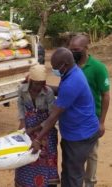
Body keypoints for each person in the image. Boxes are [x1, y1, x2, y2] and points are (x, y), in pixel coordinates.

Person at [30, 47, 100, 187]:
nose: (54, 70)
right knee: (67, 169)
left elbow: (53, 117)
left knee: (74, 174)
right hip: (74, 132)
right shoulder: (71, 73)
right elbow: (61, 91)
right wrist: (43, 86)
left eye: (56, 67)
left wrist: (38, 138)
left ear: (65, 65)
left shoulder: (72, 82)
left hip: (80, 136)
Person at [68, 35, 110, 187]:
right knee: (73, 154)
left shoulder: (98, 68)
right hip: (73, 120)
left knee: (91, 153)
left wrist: (102, 122)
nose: (73, 52)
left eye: (76, 50)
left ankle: (90, 183)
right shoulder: (69, 66)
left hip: (92, 119)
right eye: (71, 50)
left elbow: (105, 95)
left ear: (86, 48)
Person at [15, 64, 59, 187]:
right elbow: (20, 105)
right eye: (36, 84)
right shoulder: (22, 89)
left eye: (42, 83)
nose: (39, 87)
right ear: (31, 81)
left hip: (45, 130)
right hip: (27, 128)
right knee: (25, 158)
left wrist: (34, 129)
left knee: (45, 159)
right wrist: (22, 122)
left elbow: (52, 117)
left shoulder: (48, 92)